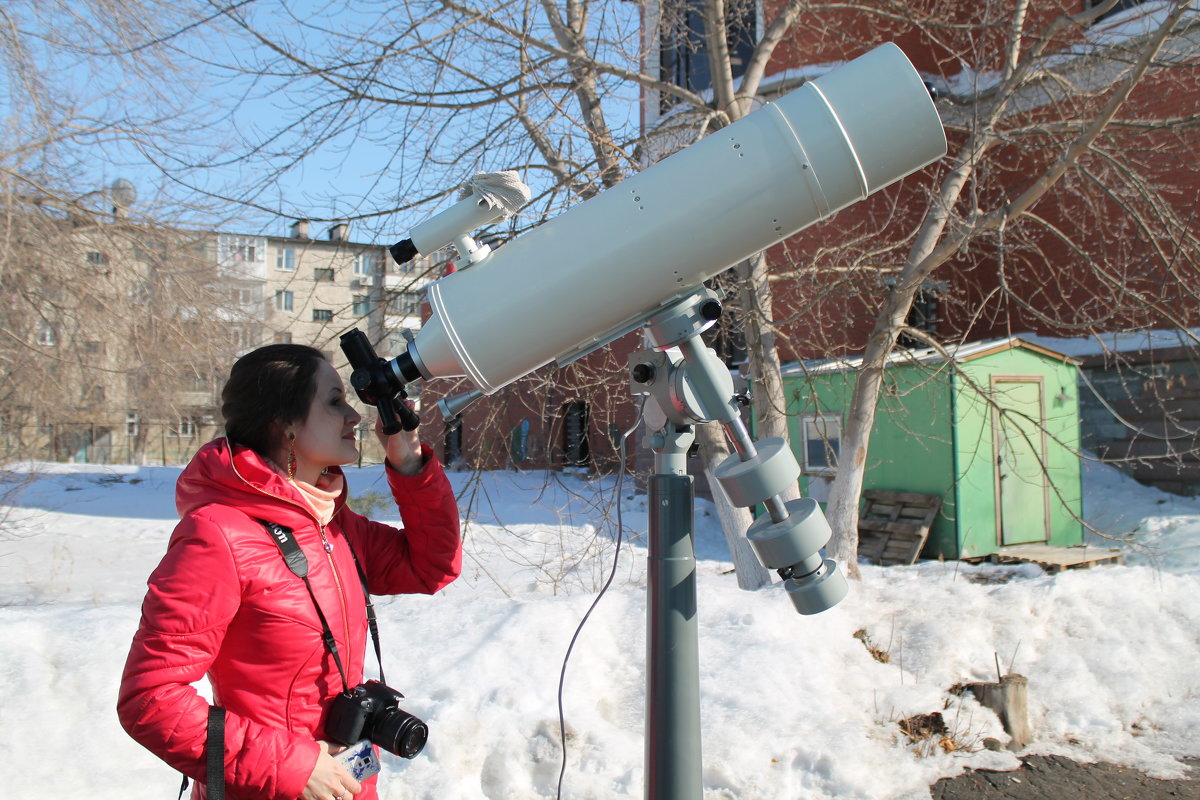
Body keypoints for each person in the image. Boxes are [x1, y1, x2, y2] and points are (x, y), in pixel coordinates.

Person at [118, 344, 462, 800]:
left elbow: (432, 565)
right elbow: (151, 697)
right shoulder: (218, 537)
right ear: (285, 426)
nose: (354, 417)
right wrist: (293, 766)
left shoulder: (334, 527)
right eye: (334, 401)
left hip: (347, 786)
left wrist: (409, 462)